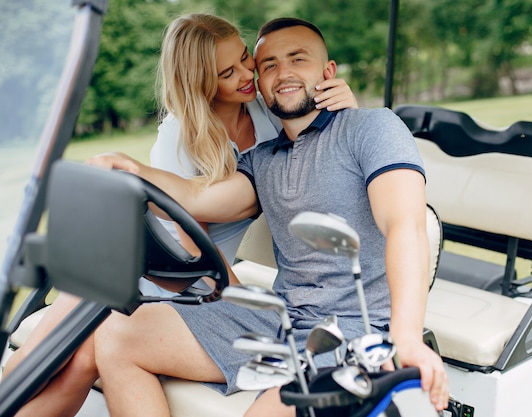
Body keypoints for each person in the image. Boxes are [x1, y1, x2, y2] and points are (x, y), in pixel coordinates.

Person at [88, 17, 449, 417]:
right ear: (258, 84)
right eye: (269, 66)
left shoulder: (372, 127)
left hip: (351, 330)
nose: (284, 73)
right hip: (281, 321)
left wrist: (407, 336)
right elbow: (194, 195)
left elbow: (405, 224)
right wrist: (131, 168)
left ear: (327, 72)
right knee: (116, 337)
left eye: (298, 59)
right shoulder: (261, 160)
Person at [2, 13, 357, 417]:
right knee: (44, 359)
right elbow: (193, 240)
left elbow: (324, 132)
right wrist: (245, 308)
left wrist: (345, 100)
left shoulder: (267, 113)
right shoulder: (179, 134)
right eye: (228, 72)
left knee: (82, 356)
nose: (247, 75)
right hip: (158, 270)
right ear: (202, 82)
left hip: (193, 284)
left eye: (245, 59)